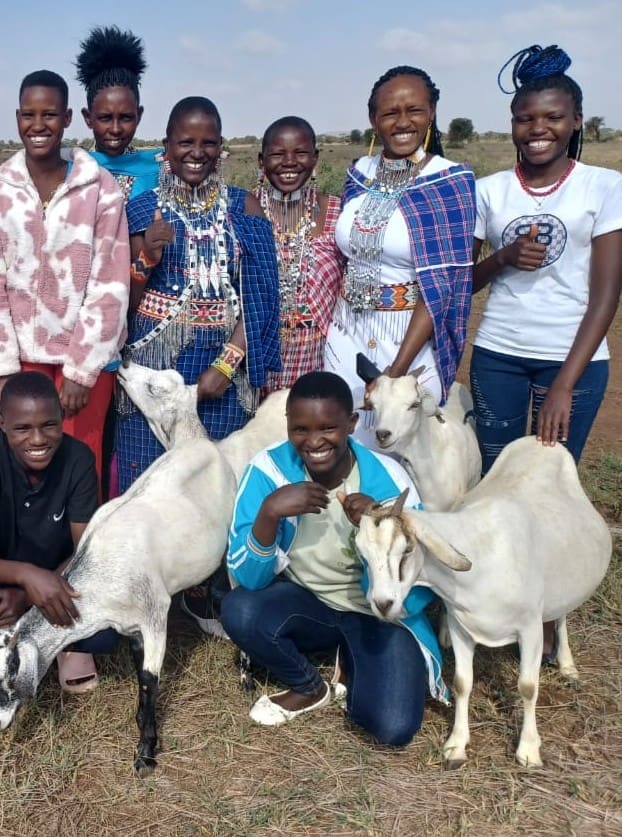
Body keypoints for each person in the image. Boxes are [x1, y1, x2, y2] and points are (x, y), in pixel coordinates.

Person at [470, 45, 622, 664]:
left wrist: (565, 382)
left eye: (553, 118)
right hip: (498, 354)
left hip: (576, 362)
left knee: (554, 485)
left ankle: (552, 611)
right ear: (513, 124)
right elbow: (467, 282)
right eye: (527, 119)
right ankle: (492, 600)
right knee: (496, 484)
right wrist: (503, 258)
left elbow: (606, 295)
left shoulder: (603, 187)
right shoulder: (489, 191)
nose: (538, 131)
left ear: (577, 120)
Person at [221, 371, 445, 746]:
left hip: (378, 613)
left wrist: (380, 526)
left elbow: (424, 588)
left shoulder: (387, 478)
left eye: (328, 428)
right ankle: (310, 686)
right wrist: (269, 513)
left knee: (391, 726)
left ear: (352, 423)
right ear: (288, 425)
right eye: (300, 429)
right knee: (239, 609)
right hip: (308, 605)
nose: (314, 442)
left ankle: (354, 655)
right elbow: (247, 579)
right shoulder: (268, 470)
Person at [0, 70, 129, 484]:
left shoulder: (100, 187)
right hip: (20, 359)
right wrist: (2, 367)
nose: (38, 126)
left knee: (79, 465)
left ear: (69, 117)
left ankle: (77, 551)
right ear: (17, 117)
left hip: (82, 363)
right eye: (29, 115)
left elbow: (109, 284)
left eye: (50, 114)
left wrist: (81, 370)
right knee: (23, 468)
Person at [116, 96, 281, 492]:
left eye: (208, 143)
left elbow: (262, 298)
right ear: (167, 146)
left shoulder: (245, 207)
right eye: (185, 142)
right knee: (148, 491)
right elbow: (124, 303)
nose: (197, 153)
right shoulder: (140, 209)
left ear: (221, 146)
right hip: (153, 373)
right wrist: (147, 258)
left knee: (219, 486)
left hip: (222, 374)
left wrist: (226, 367)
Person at [324, 66, 475, 444]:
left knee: (402, 448)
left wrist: (396, 372)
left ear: (432, 112)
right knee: (344, 442)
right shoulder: (359, 172)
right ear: (373, 119)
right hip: (346, 335)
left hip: (408, 341)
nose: (403, 122)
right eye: (390, 112)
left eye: (415, 111)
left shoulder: (449, 181)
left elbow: (440, 287)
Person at [0, 371, 119, 692]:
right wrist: (27, 578)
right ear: (2, 423)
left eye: (49, 425)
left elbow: (85, 550)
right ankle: (24, 636)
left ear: (62, 417)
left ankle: (60, 645)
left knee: (105, 632)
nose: (37, 439)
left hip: (64, 575)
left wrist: (29, 594)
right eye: (22, 428)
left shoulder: (78, 459)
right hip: (4, 577)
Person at [254, 116, 346, 392]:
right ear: (261, 161)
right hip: (256, 352)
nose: (290, 162)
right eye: (278, 154)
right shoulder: (243, 211)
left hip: (317, 355)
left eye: (301, 153)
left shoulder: (337, 213)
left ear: (315, 158)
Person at [74, 25, 161, 202]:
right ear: (88, 118)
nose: (115, 129)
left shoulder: (157, 171)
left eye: (126, 117)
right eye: (105, 118)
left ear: (139, 116)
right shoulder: (71, 169)